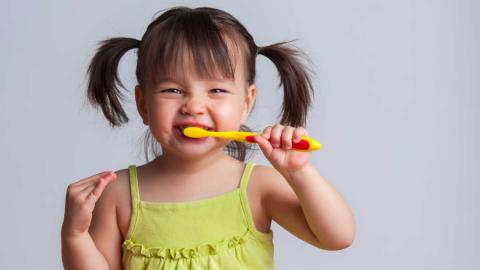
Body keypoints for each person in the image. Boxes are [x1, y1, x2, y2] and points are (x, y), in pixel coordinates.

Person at [61, 6, 355, 270]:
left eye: (216, 90)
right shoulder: (117, 195)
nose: (193, 106)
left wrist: (299, 172)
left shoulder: (258, 187)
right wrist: (75, 235)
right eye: (172, 90)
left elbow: (337, 237)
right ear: (143, 105)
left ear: (246, 103)